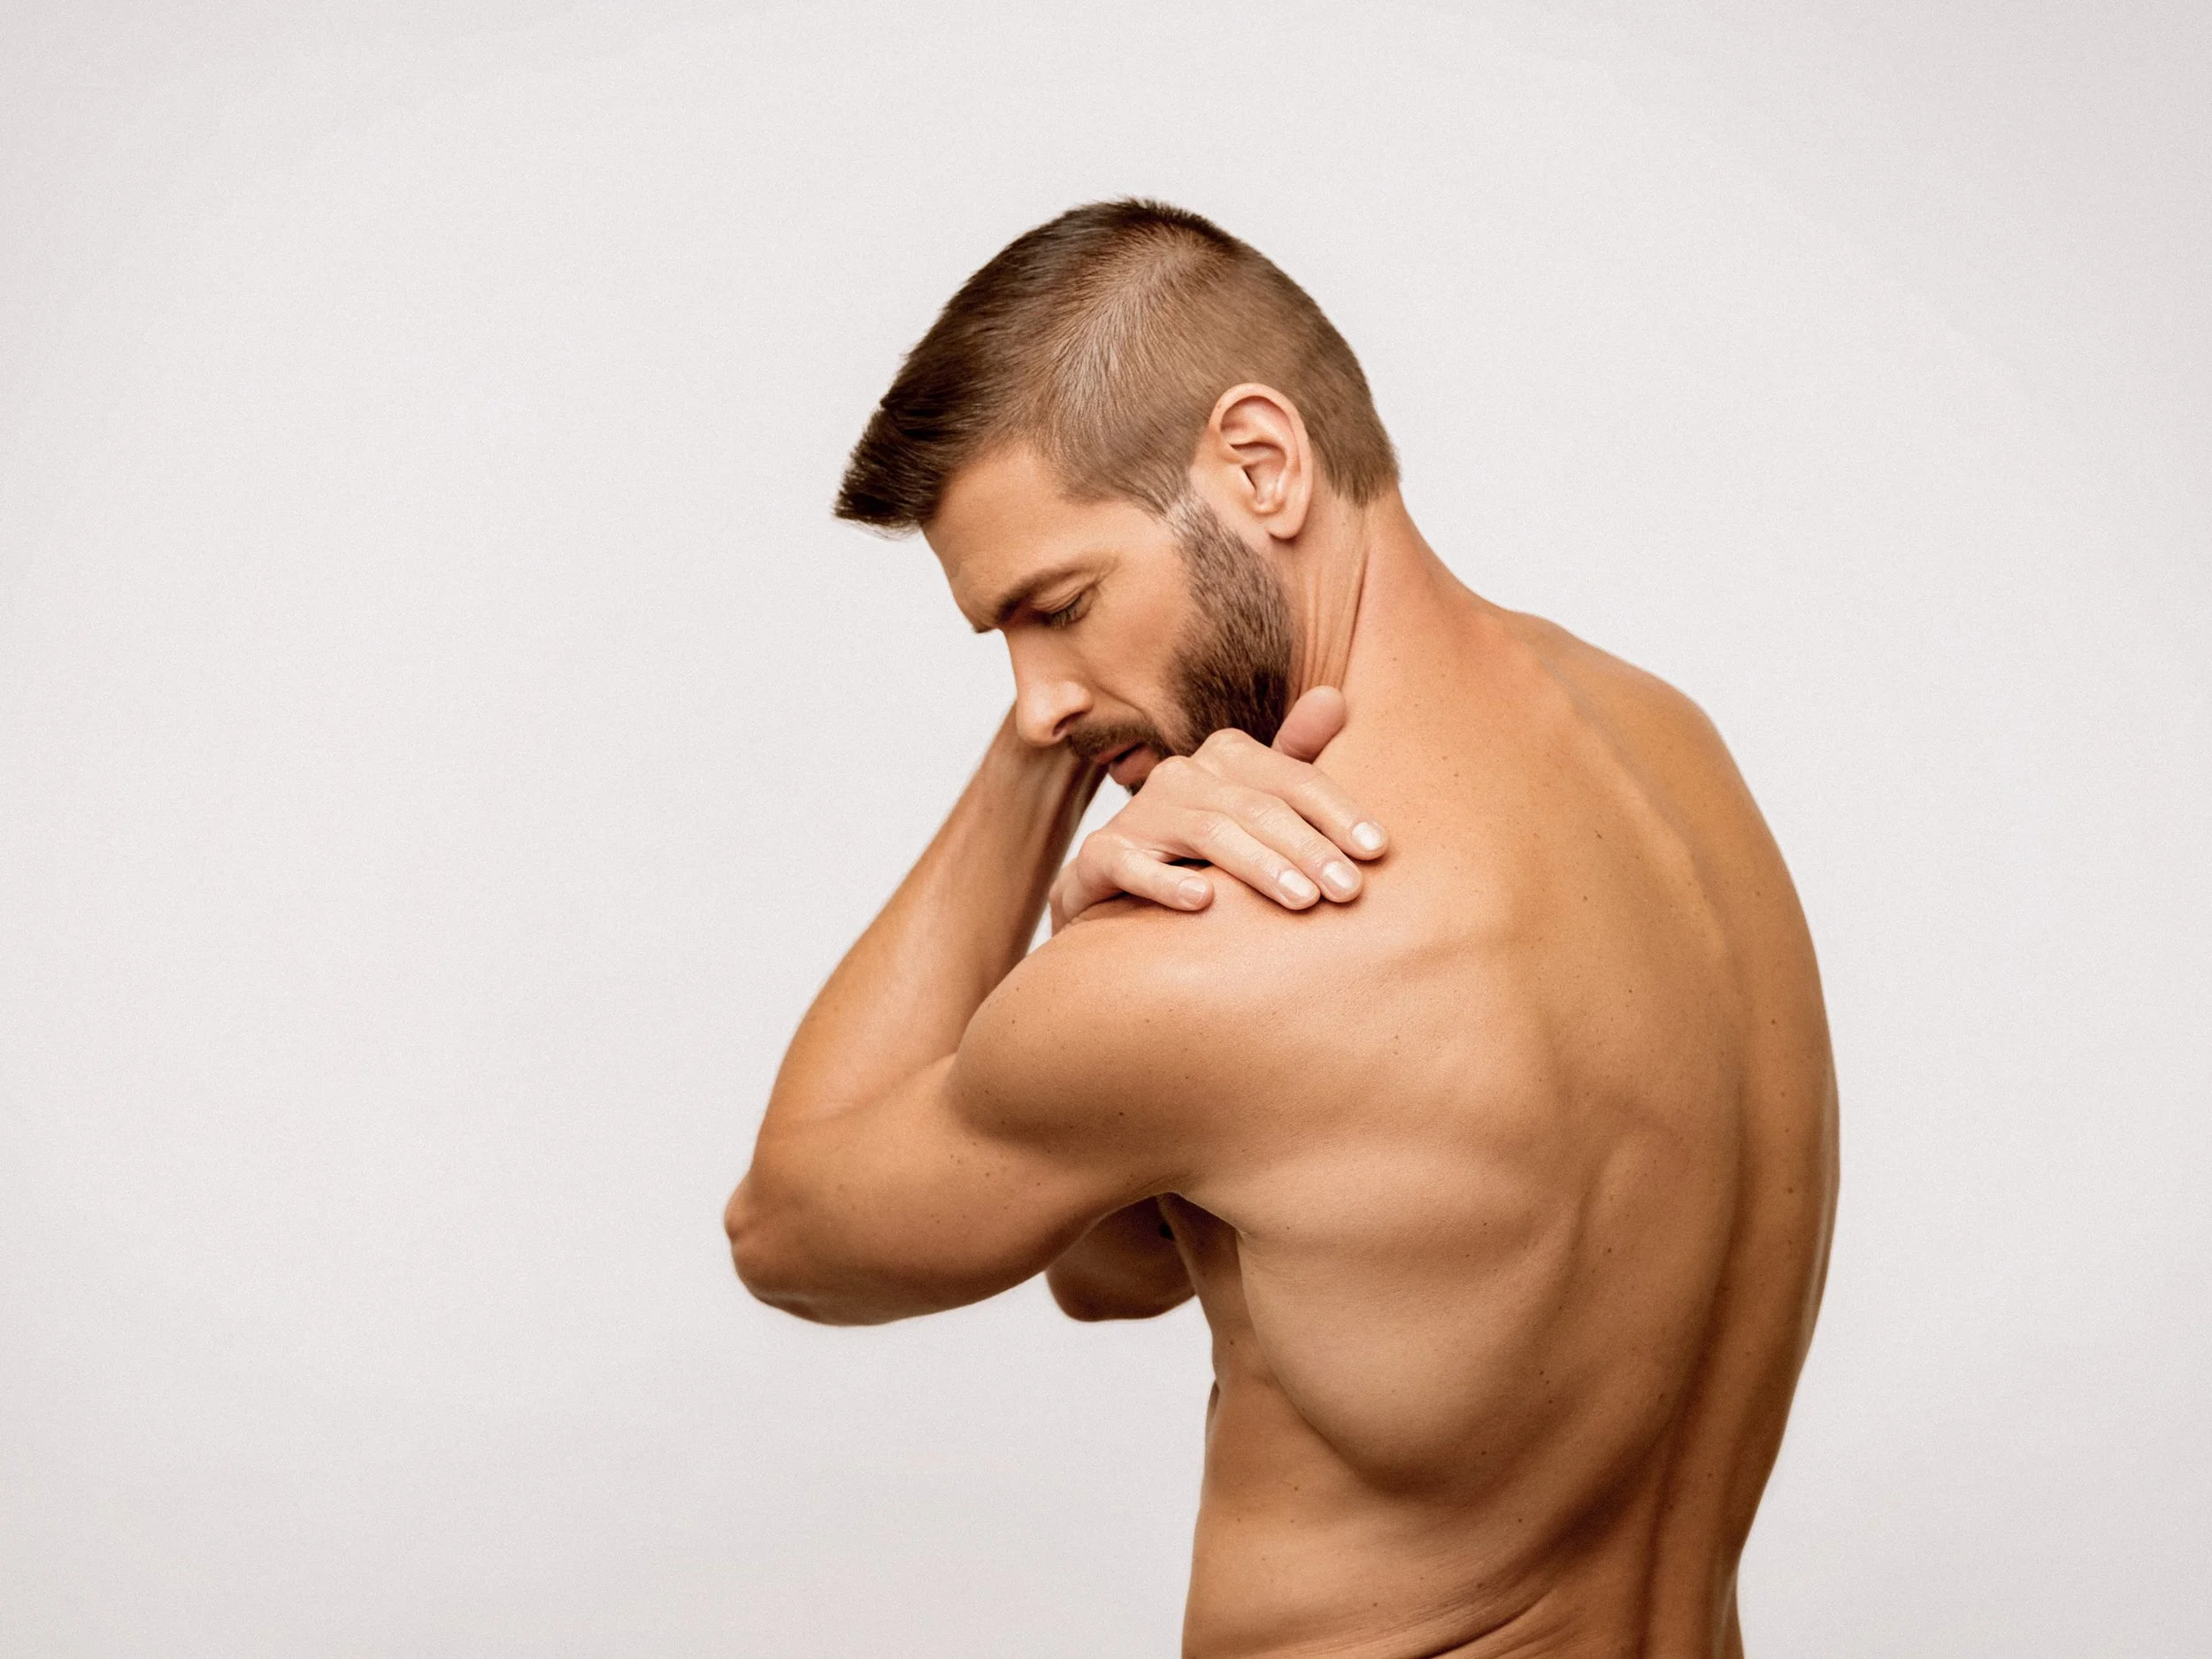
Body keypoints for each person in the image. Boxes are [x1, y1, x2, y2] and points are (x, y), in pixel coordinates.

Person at [726, 199, 1838, 1658]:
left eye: (1059, 605)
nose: (1036, 696)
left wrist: (1042, 780)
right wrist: (1102, 867)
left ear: (1262, 465)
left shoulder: (1226, 952)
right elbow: (1117, 1269)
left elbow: (787, 1228)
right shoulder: (1670, 750)